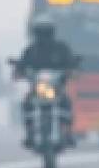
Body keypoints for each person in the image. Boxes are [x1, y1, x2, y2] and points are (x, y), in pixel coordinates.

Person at [13, 13, 79, 149]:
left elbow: (71, 62)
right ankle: (29, 134)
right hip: (38, 88)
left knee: (67, 103)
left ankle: (68, 133)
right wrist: (19, 72)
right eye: (41, 32)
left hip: (56, 88)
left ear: (52, 31)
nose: (43, 35)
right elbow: (22, 64)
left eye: (46, 31)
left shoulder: (61, 48)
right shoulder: (31, 50)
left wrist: (72, 70)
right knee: (26, 104)